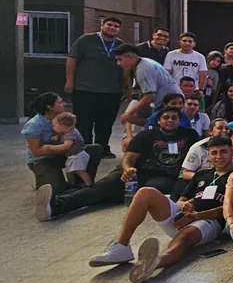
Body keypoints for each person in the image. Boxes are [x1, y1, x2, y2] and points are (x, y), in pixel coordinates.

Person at [87, 135, 233, 283]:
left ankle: (155, 262)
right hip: (182, 217)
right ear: (208, 155)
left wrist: (195, 216)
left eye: (223, 152)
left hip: (208, 222)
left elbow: (231, 208)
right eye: (214, 153)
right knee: (146, 192)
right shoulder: (202, 174)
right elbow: (182, 198)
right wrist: (183, 205)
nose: (218, 156)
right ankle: (121, 245)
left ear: (232, 152)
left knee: (183, 238)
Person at [35, 106, 198, 221]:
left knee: (108, 194)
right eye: (166, 117)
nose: (170, 121)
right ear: (159, 120)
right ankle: (54, 206)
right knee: (99, 190)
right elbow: (128, 158)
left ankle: (59, 203)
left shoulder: (189, 135)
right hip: (134, 175)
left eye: (174, 118)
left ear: (179, 120)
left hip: (165, 179)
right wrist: (127, 171)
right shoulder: (146, 135)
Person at [66, 16, 125, 158]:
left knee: (105, 123)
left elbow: (125, 69)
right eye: (109, 25)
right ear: (102, 25)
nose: (112, 28)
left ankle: (102, 148)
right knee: (84, 121)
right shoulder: (86, 40)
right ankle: (85, 148)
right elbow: (72, 59)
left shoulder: (121, 45)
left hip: (111, 91)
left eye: (116, 26)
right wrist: (69, 81)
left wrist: (125, 88)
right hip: (85, 89)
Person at [23, 93, 104, 193]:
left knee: (94, 149)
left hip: (65, 153)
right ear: (50, 107)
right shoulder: (33, 125)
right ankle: (44, 179)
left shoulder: (63, 117)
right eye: (60, 103)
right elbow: (36, 151)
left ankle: (81, 182)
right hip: (41, 160)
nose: (64, 104)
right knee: (57, 190)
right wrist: (64, 147)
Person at [113, 44, 182, 126]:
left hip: (169, 102)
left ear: (130, 56)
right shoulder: (145, 61)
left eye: (120, 59)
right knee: (134, 111)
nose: (118, 63)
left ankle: (152, 127)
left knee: (129, 116)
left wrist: (128, 113)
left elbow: (150, 96)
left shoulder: (142, 70)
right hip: (169, 98)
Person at [50, 112, 92, 187]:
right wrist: (58, 136)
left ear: (62, 126)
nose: (52, 127)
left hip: (78, 155)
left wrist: (50, 148)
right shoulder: (66, 131)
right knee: (69, 171)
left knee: (80, 172)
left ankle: (89, 185)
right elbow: (62, 134)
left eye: (54, 126)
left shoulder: (70, 134)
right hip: (72, 155)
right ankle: (72, 184)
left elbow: (67, 146)